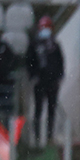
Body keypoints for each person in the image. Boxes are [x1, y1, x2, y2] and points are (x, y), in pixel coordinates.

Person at [25, 16, 64, 145]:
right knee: (38, 109)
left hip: (52, 82)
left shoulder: (55, 45)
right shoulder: (34, 44)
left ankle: (49, 135)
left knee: (51, 109)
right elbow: (29, 62)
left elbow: (60, 62)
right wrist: (33, 76)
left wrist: (59, 76)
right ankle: (36, 136)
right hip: (39, 81)